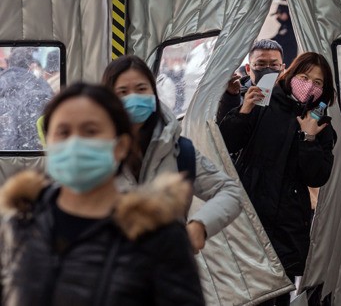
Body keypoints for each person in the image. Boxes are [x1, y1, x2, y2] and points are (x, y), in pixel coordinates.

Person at [0, 82, 205, 306]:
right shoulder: (22, 219)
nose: (75, 143)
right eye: (63, 132)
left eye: (91, 131)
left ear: (120, 146)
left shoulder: (158, 234)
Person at [218, 52, 337, 306]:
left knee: (280, 293)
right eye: (304, 77)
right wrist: (244, 109)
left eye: (318, 83)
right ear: (291, 75)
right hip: (249, 213)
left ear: (324, 90)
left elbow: (317, 176)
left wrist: (309, 138)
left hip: (289, 222)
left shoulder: (321, 125)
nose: (309, 86)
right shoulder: (263, 100)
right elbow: (227, 142)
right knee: (242, 292)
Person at [102, 55, 242, 253]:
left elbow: (230, 192)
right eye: (122, 92)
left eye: (141, 89)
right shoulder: (92, 153)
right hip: (108, 274)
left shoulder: (177, 149)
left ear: (154, 93)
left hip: (168, 273)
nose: (133, 97)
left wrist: (200, 225)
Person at [216, 39, 285, 124]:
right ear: (248, 69)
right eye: (261, 65)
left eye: (274, 65)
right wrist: (231, 97)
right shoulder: (235, 94)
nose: (267, 69)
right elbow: (221, 130)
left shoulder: (290, 96)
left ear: (282, 68)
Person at [0, 47, 53, 150]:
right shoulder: (41, 85)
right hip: (35, 153)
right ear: (31, 65)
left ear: (9, 63)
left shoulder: (2, 83)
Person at [271, 0, 298, 68]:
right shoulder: (284, 26)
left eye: (280, 13)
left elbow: (281, 39)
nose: (278, 17)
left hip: (288, 60)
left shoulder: (292, 27)